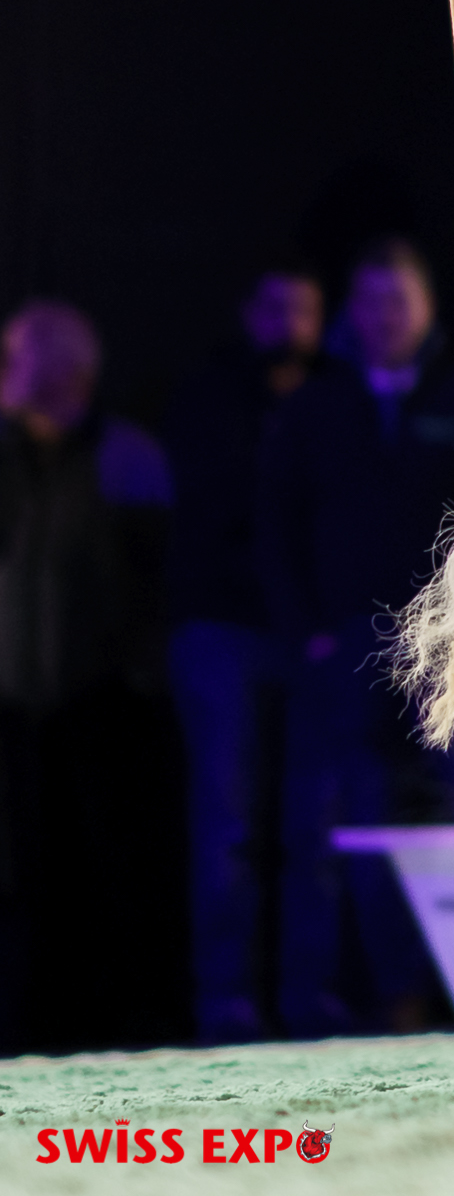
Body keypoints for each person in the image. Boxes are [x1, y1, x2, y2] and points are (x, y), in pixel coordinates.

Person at [257, 240, 454, 1035]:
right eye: (371, 300)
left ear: (427, 307)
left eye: (398, 299)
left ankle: (452, 992)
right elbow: (275, 523)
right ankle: (338, 998)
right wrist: (307, 631)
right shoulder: (317, 404)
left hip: (444, 645)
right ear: (353, 311)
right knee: (343, 822)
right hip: (345, 644)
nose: (385, 316)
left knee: (450, 815)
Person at [0, 299, 185, 1053]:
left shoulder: (126, 456)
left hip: (105, 705)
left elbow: (155, 580)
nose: (6, 370)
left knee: (109, 870)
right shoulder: (4, 457)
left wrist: (136, 673)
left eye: (16, 356)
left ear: (63, 370)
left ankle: (119, 1024)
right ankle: (29, 1026)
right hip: (15, 706)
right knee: (23, 875)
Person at [163, 262, 323, 1041]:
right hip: (221, 629)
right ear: (248, 314)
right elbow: (214, 507)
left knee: (309, 825)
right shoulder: (206, 398)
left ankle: (306, 995)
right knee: (227, 826)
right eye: (276, 308)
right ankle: (225, 998)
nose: (290, 324)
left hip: (305, 635)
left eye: (305, 310)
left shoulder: (332, 400)